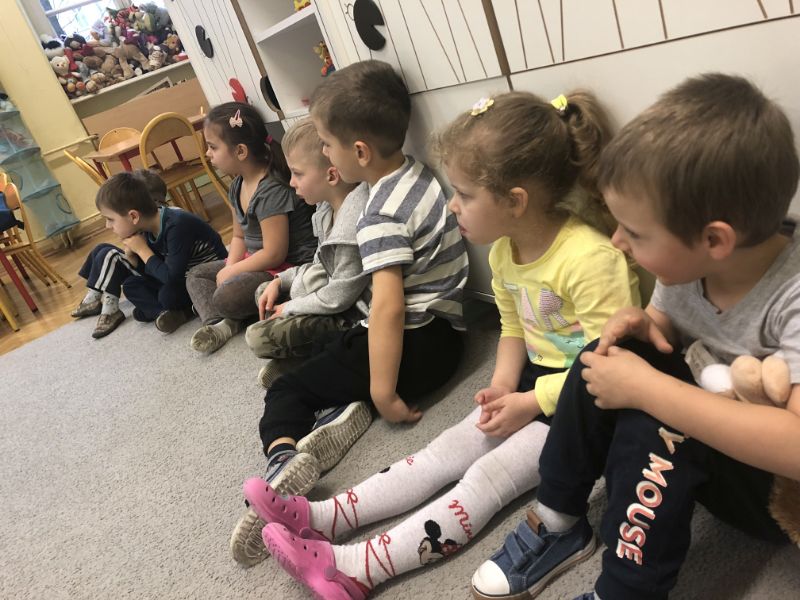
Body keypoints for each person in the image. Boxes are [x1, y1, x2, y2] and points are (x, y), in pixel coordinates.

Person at [251, 89, 642, 599]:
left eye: (464, 194)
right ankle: (326, 517)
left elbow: (611, 368)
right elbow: (512, 326)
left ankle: (359, 568)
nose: (452, 204)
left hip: (589, 407)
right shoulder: (505, 251)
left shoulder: (590, 260)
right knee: (441, 452)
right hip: (535, 385)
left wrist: (530, 402)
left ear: (515, 201)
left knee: (485, 478)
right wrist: (504, 385)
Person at [469, 73, 800, 600]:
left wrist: (651, 391)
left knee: (658, 420)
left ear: (714, 240)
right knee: (607, 355)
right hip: (715, 414)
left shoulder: (793, 293)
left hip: (777, 494)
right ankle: (558, 519)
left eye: (636, 233)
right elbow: (665, 329)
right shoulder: (686, 265)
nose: (619, 242)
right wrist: (646, 327)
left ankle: (626, 591)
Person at [229, 60, 469, 566]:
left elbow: (387, 309)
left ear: (358, 152)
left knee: (286, 390)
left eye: (326, 144)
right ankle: (344, 407)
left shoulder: (377, 214)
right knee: (333, 357)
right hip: (449, 335)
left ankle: (282, 457)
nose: (325, 155)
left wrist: (385, 393)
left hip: (414, 349)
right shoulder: (416, 174)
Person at [244, 118, 371, 388]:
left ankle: (308, 361)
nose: (291, 182)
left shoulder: (352, 225)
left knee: (257, 337)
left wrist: (290, 308)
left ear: (332, 176)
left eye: (298, 174)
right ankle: (302, 357)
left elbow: (338, 298)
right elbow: (318, 265)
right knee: (264, 293)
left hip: (351, 318)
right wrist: (281, 281)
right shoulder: (324, 209)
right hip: (325, 295)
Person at [186, 102, 317, 354]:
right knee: (197, 276)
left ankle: (233, 314)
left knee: (227, 295)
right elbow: (238, 236)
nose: (207, 154)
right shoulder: (237, 185)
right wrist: (229, 268)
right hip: (255, 261)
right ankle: (220, 322)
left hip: (285, 268)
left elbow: (274, 254)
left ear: (240, 151)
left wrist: (233, 272)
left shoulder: (270, 190)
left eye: (213, 147)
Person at [70, 170, 226, 338]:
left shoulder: (177, 224)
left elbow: (170, 277)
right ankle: (167, 312)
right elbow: (155, 271)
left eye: (110, 219)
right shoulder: (145, 227)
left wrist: (142, 250)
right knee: (131, 285)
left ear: (133, 216)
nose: (108, 226)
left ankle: (177, 311)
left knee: (166, 296)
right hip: (180, 277)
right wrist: (134, 259)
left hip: (206, 279)